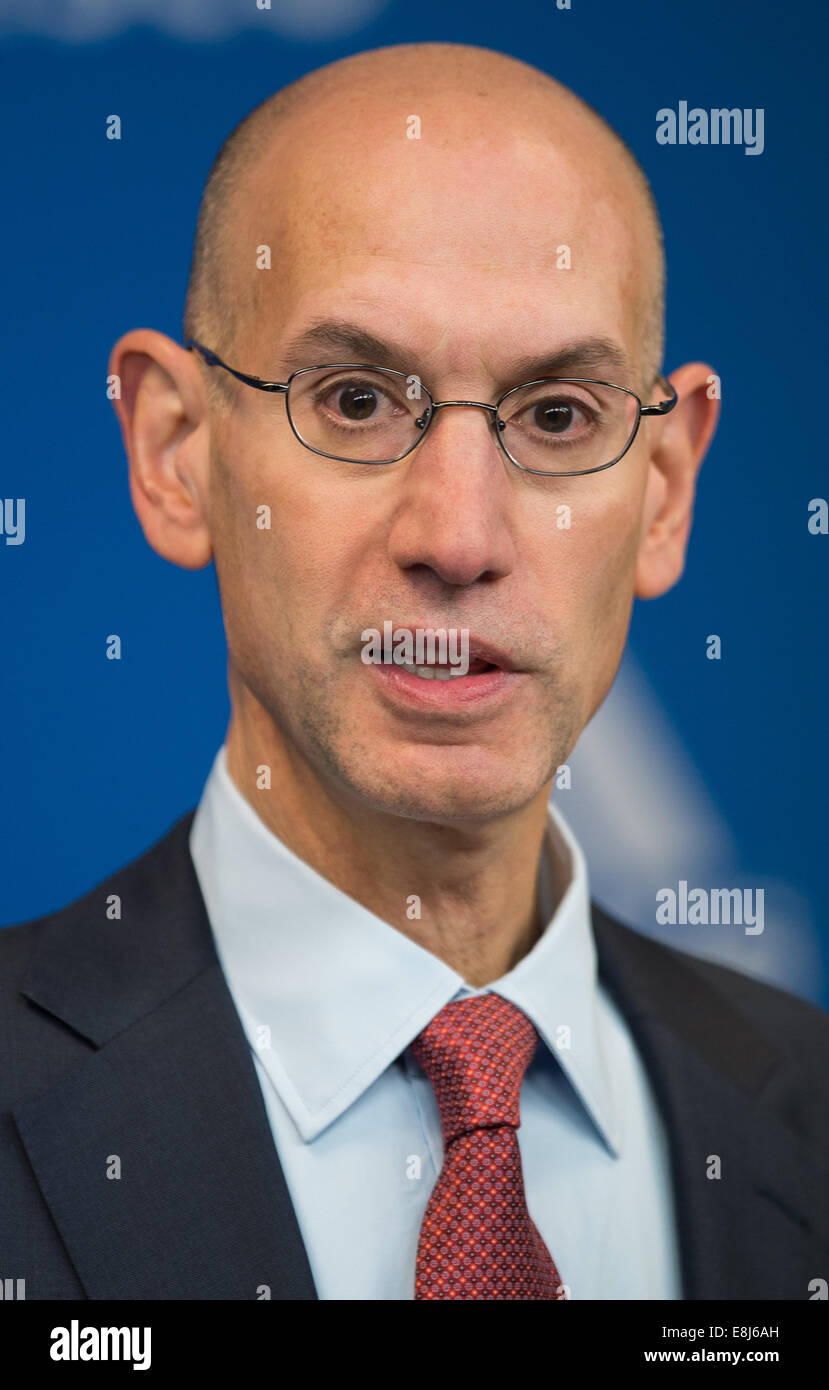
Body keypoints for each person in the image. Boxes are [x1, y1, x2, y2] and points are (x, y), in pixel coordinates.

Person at [2, 41, 827, 1302]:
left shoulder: (805, 1104)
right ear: (176, 453)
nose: (457, 538)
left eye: (558, 417)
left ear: (663, 492)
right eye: (351, 401)